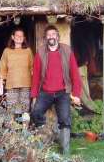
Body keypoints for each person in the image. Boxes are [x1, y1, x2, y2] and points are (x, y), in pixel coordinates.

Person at [31, 25, 82, 154]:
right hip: (45, 92)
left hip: (62, 92)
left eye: (53, 34)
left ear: (57, 36)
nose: (51, 36)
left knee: (65, 119)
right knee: (36, 113)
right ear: (45, 38)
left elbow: (75, 73)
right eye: (48, 35)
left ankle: (65, 150)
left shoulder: (67, 50)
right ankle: (45, 140)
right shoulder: (40, 53)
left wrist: (76, 94)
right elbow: (36, 76)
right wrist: (34, 95)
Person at [0, 28, 34, 121]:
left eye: (21, 36)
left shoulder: (28, 51)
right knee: (11, 109)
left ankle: (25, 131)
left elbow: (32, 67)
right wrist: (1, 84)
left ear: (24, 38)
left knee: (25, 109)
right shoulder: (7, 51)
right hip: (11, 84)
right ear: (13, 37)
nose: (19, 37)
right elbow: (3, 67)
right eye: (17, 35)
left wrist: (35, 82)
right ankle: (11, 132)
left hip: (26, 84)